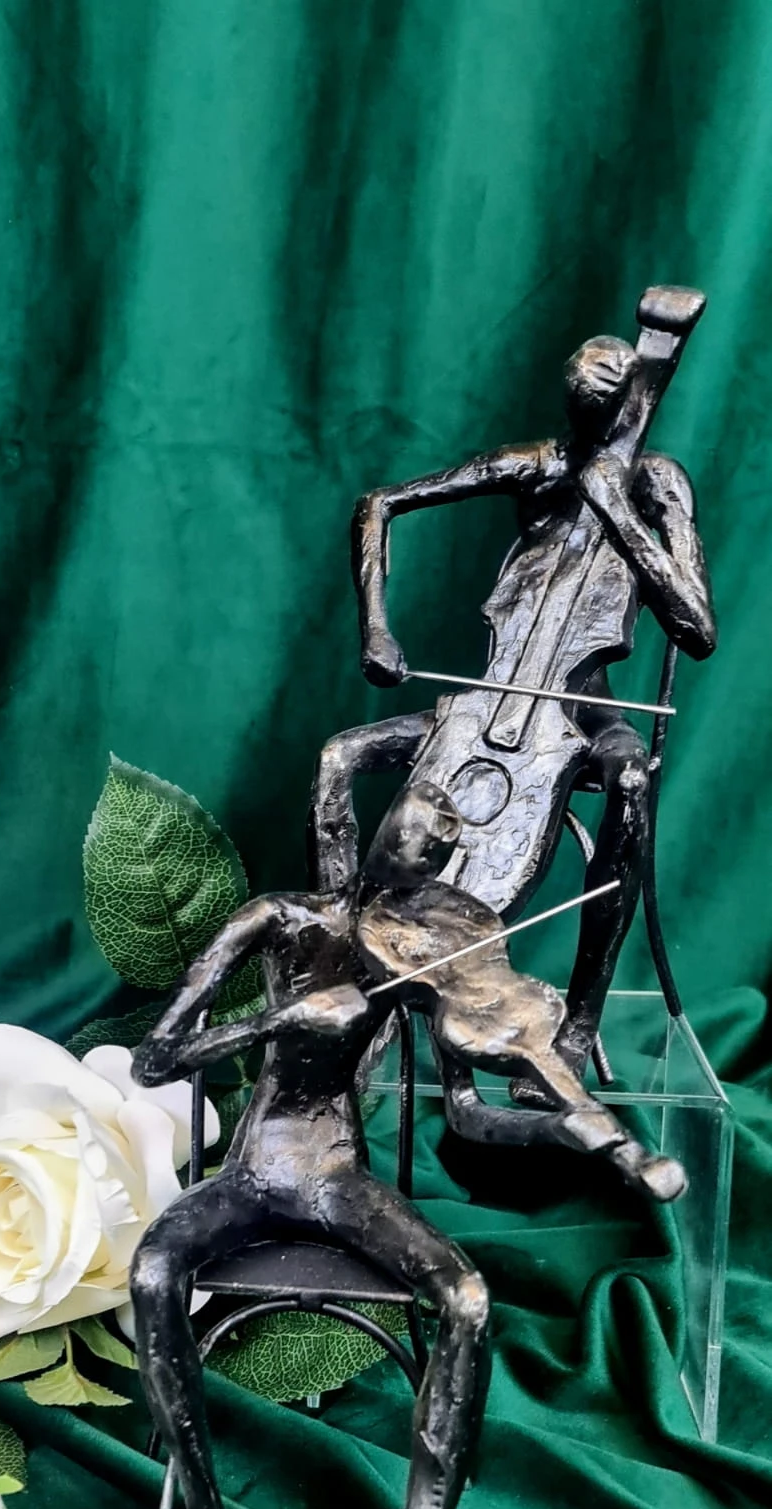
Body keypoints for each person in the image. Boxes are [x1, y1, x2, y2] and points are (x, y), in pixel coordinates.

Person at [130, 783, 683, 1509]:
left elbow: (469, 1117)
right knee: (153, 1270)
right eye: (410, 834)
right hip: (253, 1173)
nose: (417, 857)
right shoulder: (279, 918)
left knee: (464, 1296)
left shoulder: (432, 951)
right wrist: (273, 1022)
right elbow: (155, 1059)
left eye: (434, 851)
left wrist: (566, 1126)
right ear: (377, 826)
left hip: (339, 1178)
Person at [311, 323, 716, 1078]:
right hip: (488, 699)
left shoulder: (657, 480)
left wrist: (616, 511)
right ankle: (342, 954)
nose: (586, 411)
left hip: (583, 712)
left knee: (630, 782)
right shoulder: (535, 463)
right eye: (577, 396)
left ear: (627, 401)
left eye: (602, 398)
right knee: (339, 755)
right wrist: (376, 627)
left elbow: (695, 628)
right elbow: (379, 503)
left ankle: (580, 1017)